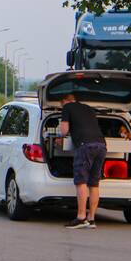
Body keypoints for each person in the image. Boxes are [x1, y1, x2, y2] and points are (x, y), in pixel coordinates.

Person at [56, 92, 107, 229]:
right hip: (101, 145)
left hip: (86, 146)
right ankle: (91, 219)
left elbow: (64, 130)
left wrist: (60, 136)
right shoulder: (87, 108)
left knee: (81, 181)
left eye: (61, 105)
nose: (61, 107)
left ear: (65, 101)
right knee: (94, 183)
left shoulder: (67, 108)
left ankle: (80, 217)